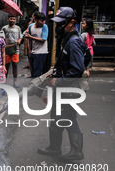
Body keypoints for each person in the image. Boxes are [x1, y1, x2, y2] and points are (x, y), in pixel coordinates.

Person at [38, 7, 90, 161]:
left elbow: (77, 69)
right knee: (55, 116)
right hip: (62, 88)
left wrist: (58, 81)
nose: (59, 27)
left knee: (68, 118)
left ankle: (76, 151)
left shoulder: (73, 42)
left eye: (62, 23)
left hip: (69, 88)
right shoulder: (67, 39)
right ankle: (54, 148)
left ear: (71, 23)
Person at [0, 14, 22, 88]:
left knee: (15, 65)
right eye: (11, 19)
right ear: (8, 19)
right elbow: (1, 37)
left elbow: (20, 37)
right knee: (6, 66)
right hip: (6, 50)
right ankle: (4, 82)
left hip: (16, 50)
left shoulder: (18, 28)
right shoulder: (4, 28)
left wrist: (19, 40)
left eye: (14, 19)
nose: (12, 20)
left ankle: (15, 81)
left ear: (16, 20)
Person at [24, 12, 49, 78]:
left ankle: (35, 86)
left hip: (42, 52)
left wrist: (31, 37)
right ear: (36, 20)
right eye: (41, 21)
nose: (43, 22)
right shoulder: (31, 26)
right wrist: (29, 50)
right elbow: (29, 39)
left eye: (44, 21)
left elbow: (43, 39)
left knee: (37, 72)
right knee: (33, 71)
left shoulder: (45, 27)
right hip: (33, 51)